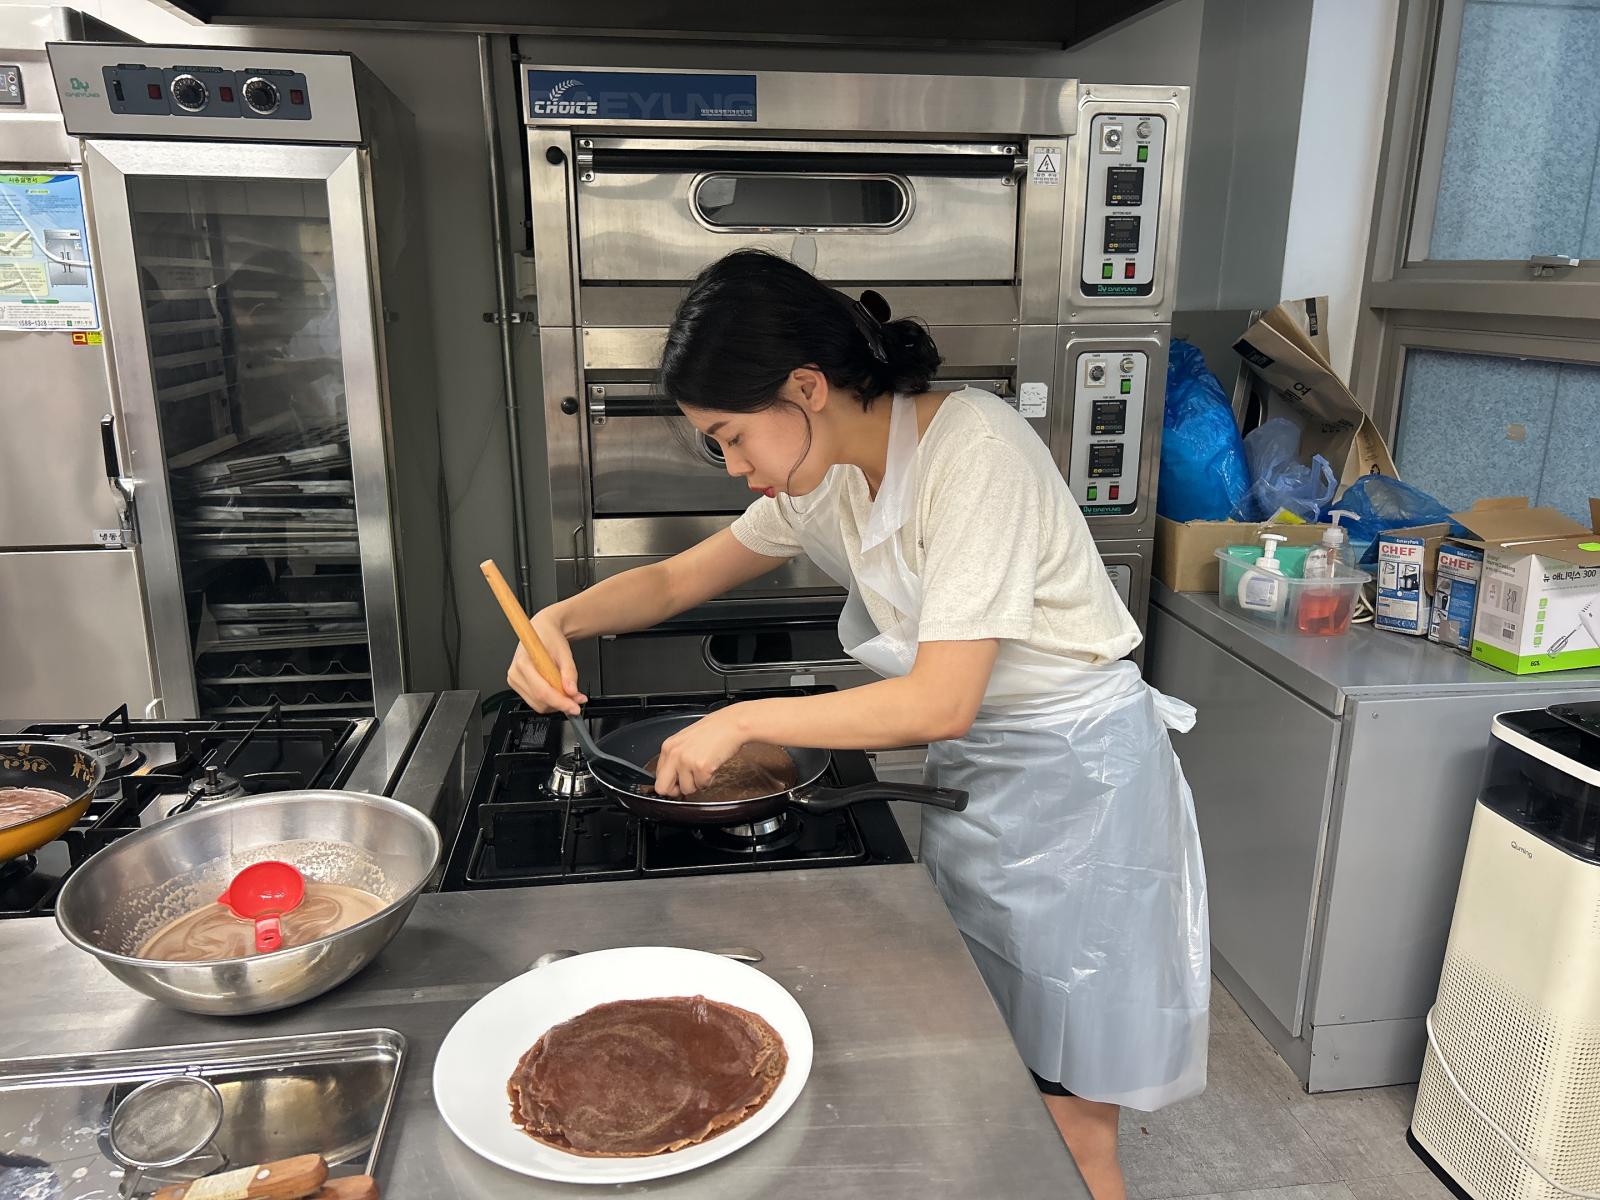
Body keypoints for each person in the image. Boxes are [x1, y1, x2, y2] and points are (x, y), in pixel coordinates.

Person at [507, 250, 1209, 1197]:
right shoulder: (828, 476)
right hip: (986, 784)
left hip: (1082, 800)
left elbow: (940, 700)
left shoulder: (975, 450)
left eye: (732, 437)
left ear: (806, 388)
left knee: (1073, 1120)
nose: (736, 467)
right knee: (995, 1071)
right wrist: (557, 620)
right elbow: (678, 578)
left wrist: (743, 718)